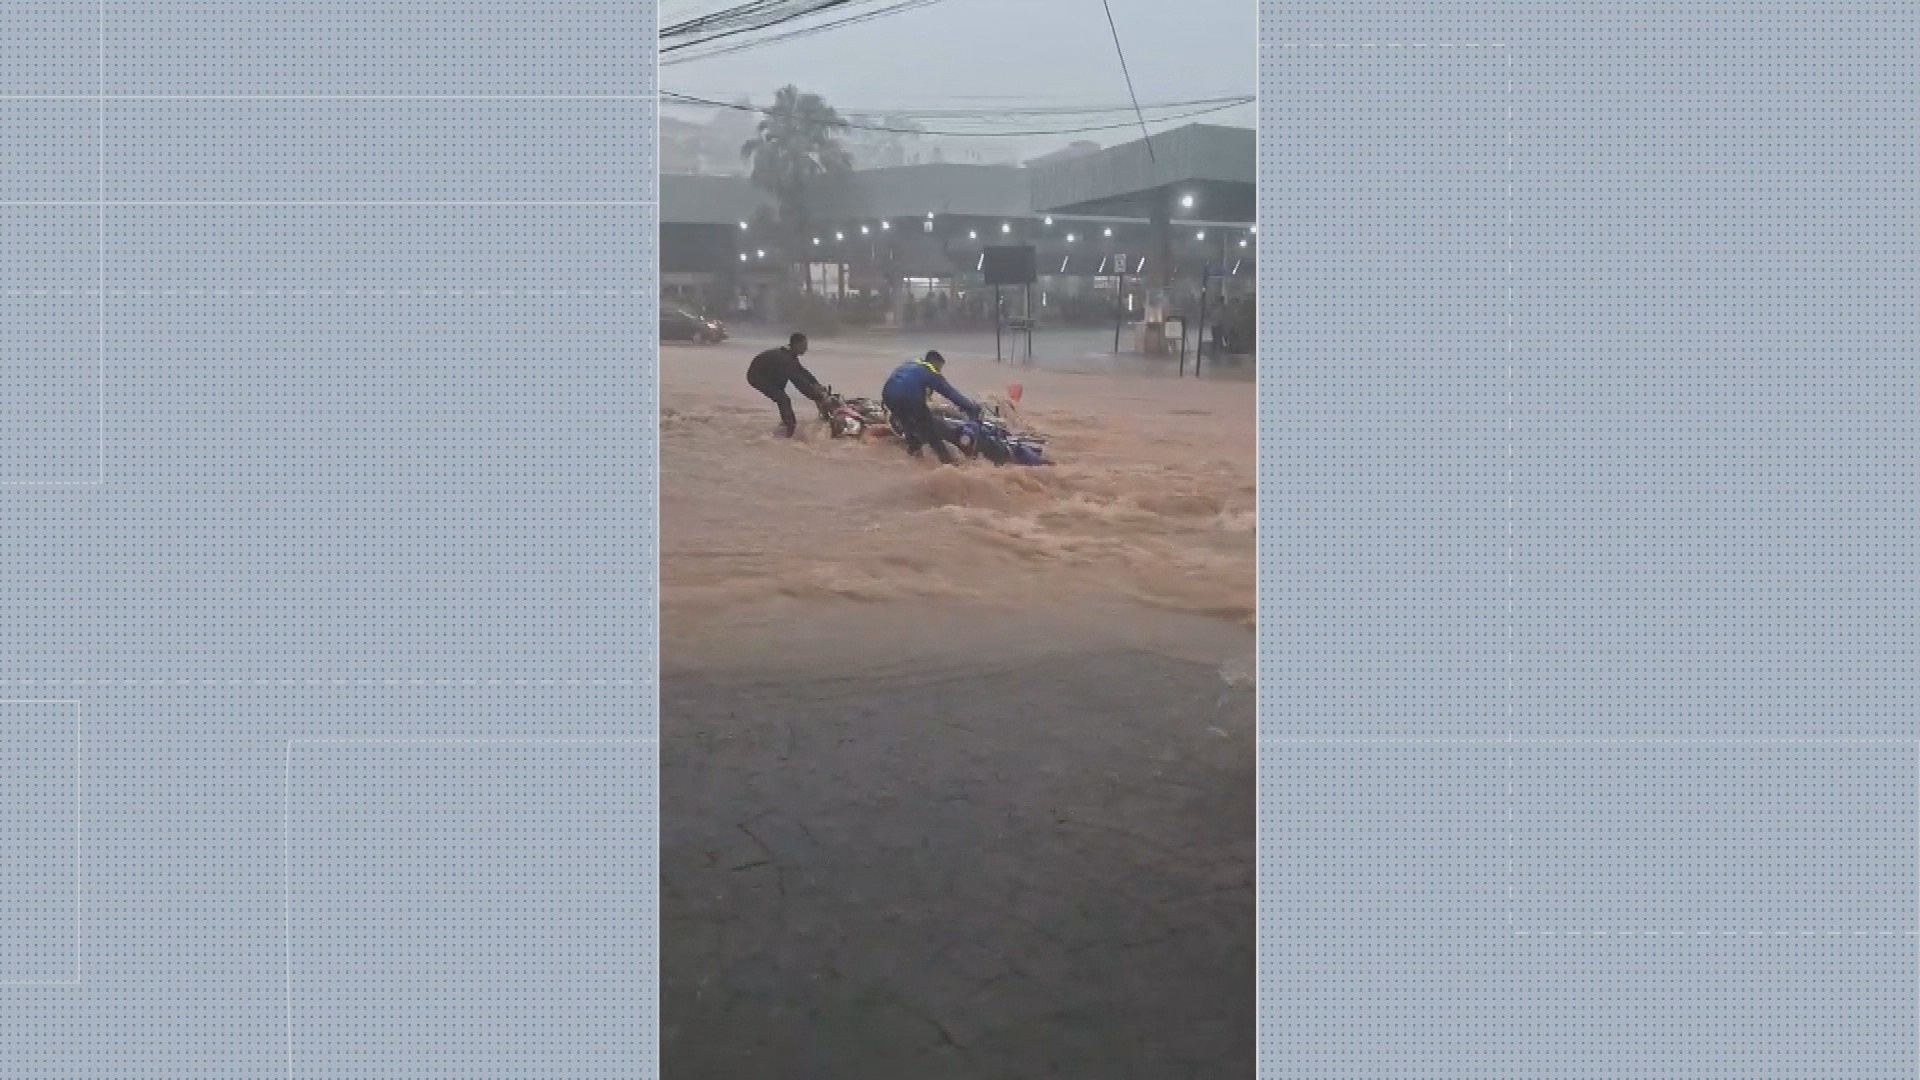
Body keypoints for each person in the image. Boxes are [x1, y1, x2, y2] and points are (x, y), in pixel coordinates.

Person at [881, 350, 980, 465]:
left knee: (908, 426)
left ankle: (913, 455)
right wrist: (970, 407)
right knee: (931, 432)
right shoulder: (931, 371)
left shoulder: (911, 363)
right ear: (935, 362)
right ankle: (947, 464)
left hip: (888, 396)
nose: (940, 371)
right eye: (940, 367)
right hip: (910, 398)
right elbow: (950, 393)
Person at [746, 332, 831, 437]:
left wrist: (817, 385)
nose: (806, 349)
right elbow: (799, 383)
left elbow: (802, 372)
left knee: (782, 393)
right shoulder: (785, 359)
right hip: (757, 376)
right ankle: (789, 428)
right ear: (796, 345)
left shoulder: (790, 355)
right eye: (804, 346)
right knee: (783, 398)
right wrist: (817, 395)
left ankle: (786, 423)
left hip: (769, 373)